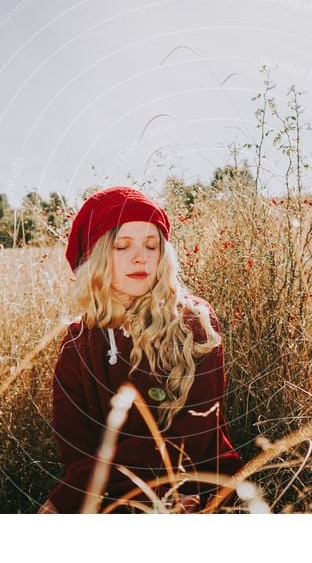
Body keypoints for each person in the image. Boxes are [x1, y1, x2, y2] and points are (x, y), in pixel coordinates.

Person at [37, 186, 243, 514]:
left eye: (151, 245)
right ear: (96, 257)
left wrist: (67, 499)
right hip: (108, 498)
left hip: (200, 486)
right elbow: (76, 446)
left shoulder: (195, 321)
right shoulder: (78, 342)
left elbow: (197, 431)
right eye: (122, 246)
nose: (141, 257)